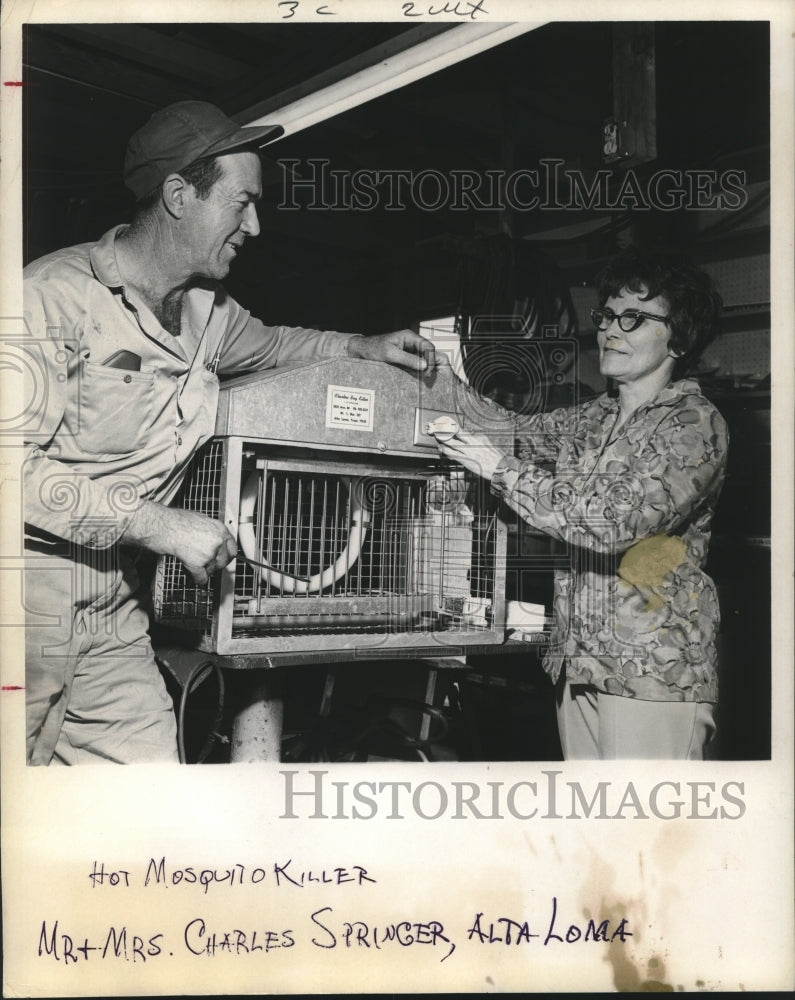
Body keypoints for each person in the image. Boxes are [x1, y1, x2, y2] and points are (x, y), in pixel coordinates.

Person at [23, 101, 436, 766]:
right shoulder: (47, 299)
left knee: (149, 796)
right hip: (24, 590)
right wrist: (161, 524)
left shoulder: (206, 312)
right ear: (180, 196)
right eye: (242, 202)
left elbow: (276, 347)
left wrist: (361, 346)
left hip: (114, 598)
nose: (255, 225)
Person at [436, 250, 728, 760]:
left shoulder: (693, 425)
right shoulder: (595, 417)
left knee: (648, 832)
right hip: (578, 662)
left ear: (677, 336)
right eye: (606, 316)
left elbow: (610, 522)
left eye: (632, 318)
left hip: (653, 672)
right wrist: (434, 378)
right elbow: (510, 430)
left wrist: (499, 469)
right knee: (592, 829)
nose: (610, 330)